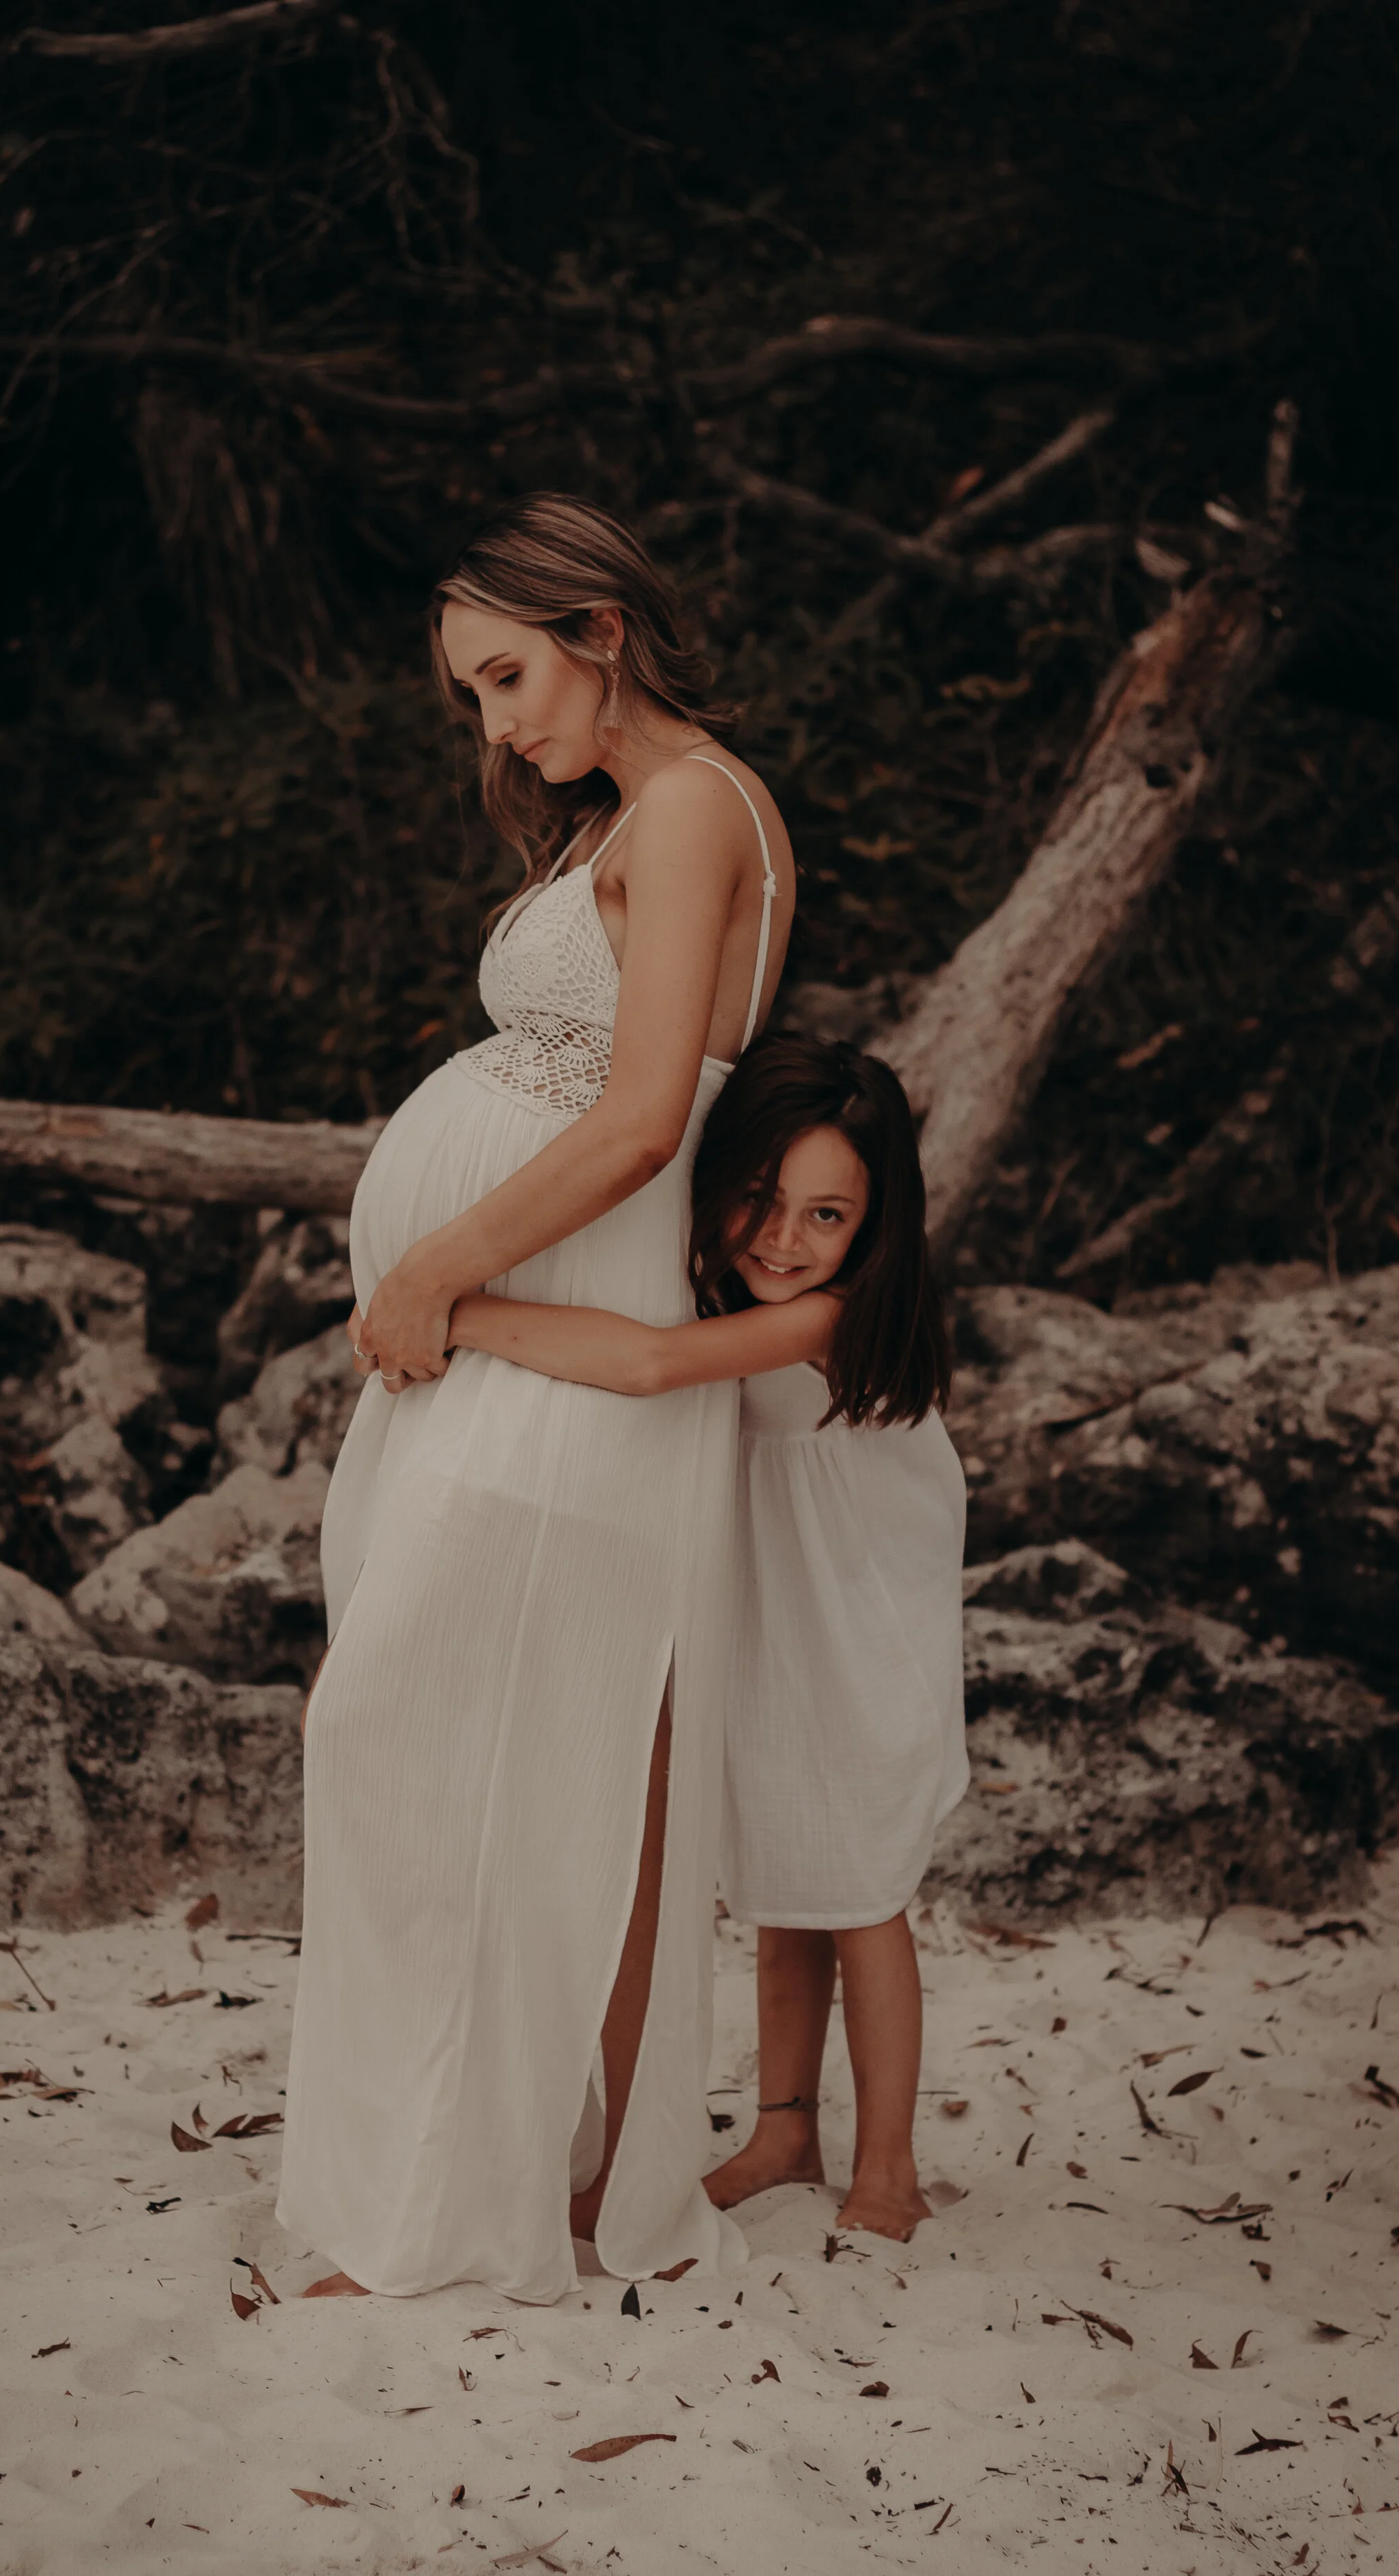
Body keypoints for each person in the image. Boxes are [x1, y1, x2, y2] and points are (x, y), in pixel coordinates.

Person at [277, 493, 794, 2301]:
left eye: (506, 677)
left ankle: (490, 2198)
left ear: (600, 628)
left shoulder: (696, 804)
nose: (494, 726)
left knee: (488, 1742)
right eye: (471, 695)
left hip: (566, 1317)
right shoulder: (630, 816)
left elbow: (646, 1115)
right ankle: (519, 2178)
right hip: (522, 1323)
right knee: (483, 1741)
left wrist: (433, 1267)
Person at [446, 1037, 965, 2244]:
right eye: (762, 1198)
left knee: (863, 1898)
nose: (783, 1237)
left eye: (826, 1214)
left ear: (874, 1226)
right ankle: (786, 2132)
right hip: (783, 1628)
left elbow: (644, 1364)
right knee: (789, 1883)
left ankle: (889, 2165)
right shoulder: (745, 1291)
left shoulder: (828, 1318)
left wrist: (462, 1308)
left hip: (863, 1637)